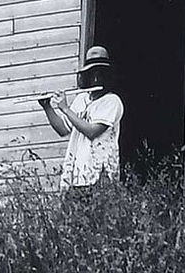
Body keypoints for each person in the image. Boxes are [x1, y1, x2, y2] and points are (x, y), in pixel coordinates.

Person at [39, 46, 124, 192]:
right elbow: (63, 129)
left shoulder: (112, 101)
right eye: (92, 74)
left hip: (100, 176)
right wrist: (48, 107)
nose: (96, 78)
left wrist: (65, 108)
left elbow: (92, 132)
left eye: (100, 74)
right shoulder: (81, 99)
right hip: (76, 177)